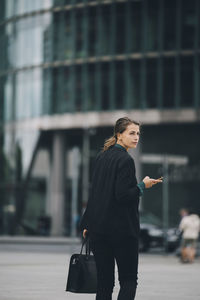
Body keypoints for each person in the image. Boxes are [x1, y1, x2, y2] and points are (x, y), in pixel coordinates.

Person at [79, 117, 162, 300]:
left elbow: (96, 194)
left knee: (104, 283)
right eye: (131, 133)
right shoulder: (125, 160)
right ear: (119, 135)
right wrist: (143, 185)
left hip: (99, 231)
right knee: (129, 280)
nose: (136, 137)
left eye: (138, 133)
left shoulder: (101, 157)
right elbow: (123, 196)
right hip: (122, 232)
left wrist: (87, 223)